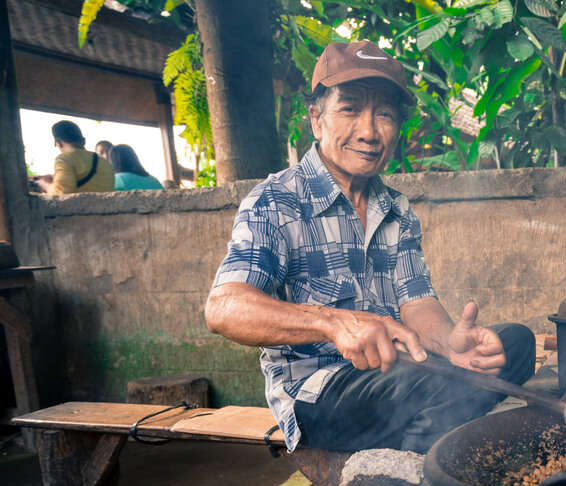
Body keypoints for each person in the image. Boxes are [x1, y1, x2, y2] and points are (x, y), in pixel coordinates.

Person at [204, 40, 535, 455]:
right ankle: (413, 479)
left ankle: (419, 450)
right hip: (321, 392)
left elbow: (417, 303)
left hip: (400, 376)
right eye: (350, 108)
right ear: (316, 119)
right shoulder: (276, 200)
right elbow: (224, 308)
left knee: (514, 344)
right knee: (429, 385)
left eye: (385, 114)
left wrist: (452, 342)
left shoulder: (395, 208)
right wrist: (334, 323)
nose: (368, 131)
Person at [31, 121, 113, 195]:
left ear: (58, 143)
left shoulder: (64, 159)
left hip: (81, 209)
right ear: (84, 141)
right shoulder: (103, 162)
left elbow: (60, 193)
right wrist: (53, 177)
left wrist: (42, 183)